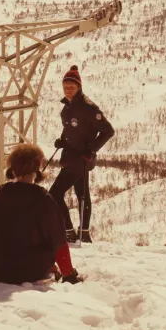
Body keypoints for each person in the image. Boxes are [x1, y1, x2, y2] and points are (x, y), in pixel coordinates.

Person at [0, 143, 81, 285]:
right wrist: (68, 273)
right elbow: (58, 240)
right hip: (31, 269)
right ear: (37, 167)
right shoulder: (43, 199)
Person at [48, 65, 114, 243]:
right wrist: (62, 140)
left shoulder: (88, 108)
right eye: (65, 87)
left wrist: (91, 149)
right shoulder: (67, 108)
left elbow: (108, 131)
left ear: (79, 87)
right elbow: (70, 128)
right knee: (82, 193)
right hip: (72, 157)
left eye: (71, 87)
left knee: (54, 194)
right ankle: (83, 233)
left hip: (81, 158)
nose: (68, 90)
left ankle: (69, 232)